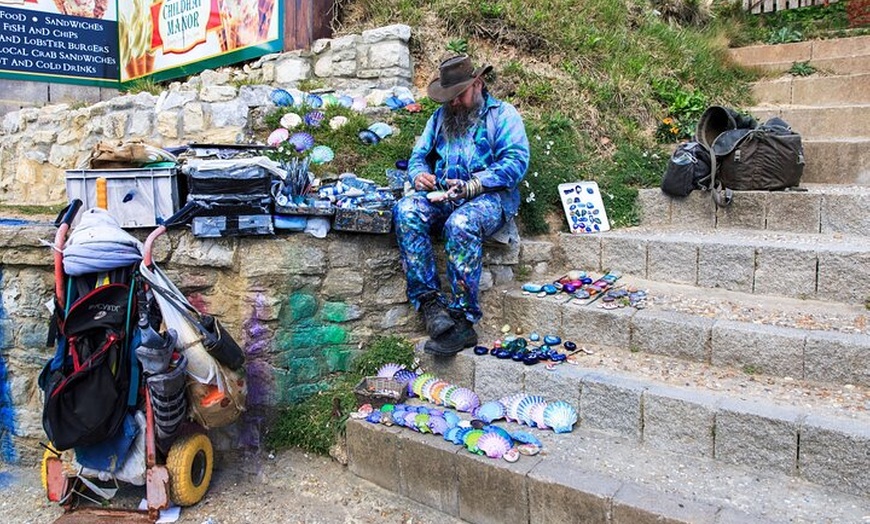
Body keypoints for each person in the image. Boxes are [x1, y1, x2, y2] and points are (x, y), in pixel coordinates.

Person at [393, 55, 530, 356]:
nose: (453, 103)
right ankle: (431, 305)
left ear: (478, 84)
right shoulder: (440, 117)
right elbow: (418, 157)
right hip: (444, 194)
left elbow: (516, 163)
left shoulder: (503, 115)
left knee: (462, 223)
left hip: (490, 198)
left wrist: (474, 185)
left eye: (459, 96)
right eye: (449, 97)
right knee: (406, 210)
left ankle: (463, 321)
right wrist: (419, 176)